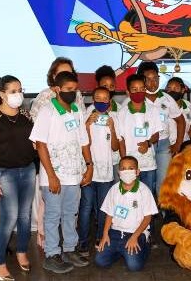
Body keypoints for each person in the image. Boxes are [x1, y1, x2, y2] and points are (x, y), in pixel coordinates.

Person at [30, 71, 93, 274]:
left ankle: (69, 249)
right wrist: (51, 176)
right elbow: (40, 145)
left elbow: (84, 141)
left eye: (74, 90)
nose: (72, 93)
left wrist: (89, 166)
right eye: (67, 90)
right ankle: (51, 254)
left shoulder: (76, 110)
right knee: (53, 215)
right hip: (54, 177)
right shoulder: (47, 111)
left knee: (70, 214)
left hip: (74, 175)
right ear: (57, 89)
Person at [0, 75, 37, 280]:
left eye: (20, 90)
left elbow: (32, 142)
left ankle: (22, 251)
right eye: (13, 91)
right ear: (2, 94)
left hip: (28, 170)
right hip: (3, 173)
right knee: (9, 217)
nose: (18, 95)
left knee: (25, 216)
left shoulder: (25, 114)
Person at [77, 86, 122, 256]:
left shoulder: (114, 118)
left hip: (106, 173)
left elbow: (115, 147)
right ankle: (82, 242)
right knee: (86, 206)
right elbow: (83, 144)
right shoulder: (86, 116)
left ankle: (99, 237)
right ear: (93, 100)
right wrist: (88, 125)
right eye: (98, 98)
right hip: (88, 171)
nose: (101, 102)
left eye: (105, 99)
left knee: (104, 208)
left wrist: (112, 128)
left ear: (109, 102)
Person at [95, 156, 158, 271]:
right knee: (100, 261)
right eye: (123, 169)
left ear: (137, 172)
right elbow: (109, 214)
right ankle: (122, 250)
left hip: (136, 232)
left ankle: (144, 245)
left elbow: (148, 217)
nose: (127, 171)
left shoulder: (144, 191)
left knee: (134, 266)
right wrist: (105, 234)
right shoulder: (114, 189)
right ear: (119, 173)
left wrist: (134, 237)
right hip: (115, 232)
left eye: (131, 168)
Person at [137, 61, 185, 194]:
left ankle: (162, 213)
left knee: (163, 181)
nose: (153, 83)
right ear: (142, 80)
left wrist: (178, 145)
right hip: (145, 145)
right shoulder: (137, 99)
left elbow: (181, 121)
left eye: (155, 78)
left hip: (164, 145)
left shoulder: (167, 98)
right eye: (148, 79)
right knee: (146, 181)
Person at [117, 74, 162, 195]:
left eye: (142, 89)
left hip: (148, 164)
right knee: (130, 196)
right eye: (135, 89)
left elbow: (156, 134)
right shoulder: (122, 113)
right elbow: (120, 140)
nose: (139, 92)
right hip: (129, 167)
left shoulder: (153, 110)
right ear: (128, 92)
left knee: (148, 194)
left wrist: (147, 143)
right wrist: (123, 161)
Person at [30, 57, 85, 121]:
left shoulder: (76, 93)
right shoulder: (45, 95)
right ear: (54, 76)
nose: (67, 77)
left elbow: (83, 116)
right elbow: (33, 119)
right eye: (62, 74)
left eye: (69, 73)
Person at [165, 76, 191, 148]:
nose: (172, 91)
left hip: (185, 145)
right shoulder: (162, 106)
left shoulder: (188, 105)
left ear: (182, 90)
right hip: (167, 146)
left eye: (176, 88)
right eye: (169, 88)